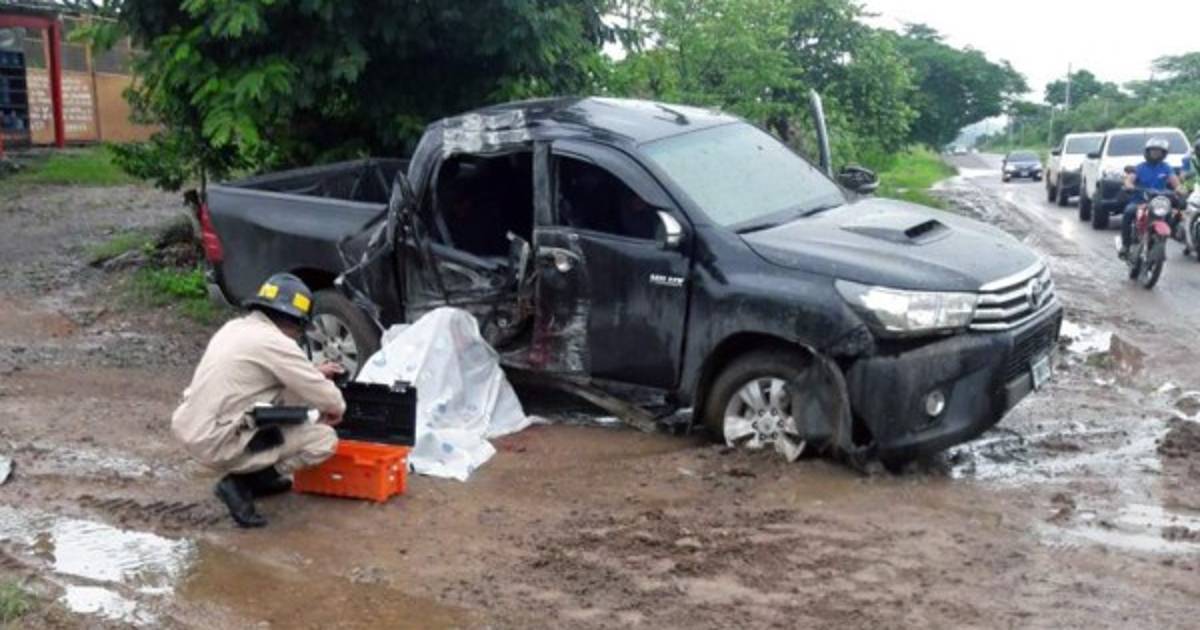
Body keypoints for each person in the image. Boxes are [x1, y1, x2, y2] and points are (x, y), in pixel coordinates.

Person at [171, 273, 346, 528]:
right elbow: (329, 398)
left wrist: (314, 373)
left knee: (290, 394)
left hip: (193, 426)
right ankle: (243, 484)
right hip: (219, 441)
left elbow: (264, 374)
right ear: (295, 322)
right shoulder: (276, 343)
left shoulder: (235, 328)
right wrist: (336, 408)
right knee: (323, 440)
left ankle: (255, 475)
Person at [1119, 137, 1181, 258]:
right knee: (1128, 212)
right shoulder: (1140, 167)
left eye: (1158, 151)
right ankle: (1125, 245)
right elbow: (1129, 179)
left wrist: (1180, 189)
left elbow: (1175, 182)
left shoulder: (1166, 168)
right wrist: (1129, 185)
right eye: (1153, 150)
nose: (1155, 153)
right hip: (1140, 201)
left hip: (1159, 203)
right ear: (1147, 152)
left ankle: (1162, 240)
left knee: (1171, 214)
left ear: (1163, 153)